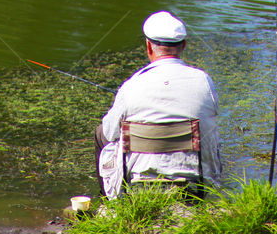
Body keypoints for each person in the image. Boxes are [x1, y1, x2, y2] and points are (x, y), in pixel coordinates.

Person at [95, 11, 222, 199]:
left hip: (139, 178)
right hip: (197, 178)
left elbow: (109, 132)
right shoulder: (204, 81)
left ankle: (109, 203)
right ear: (184, 45)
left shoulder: (131, 85)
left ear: (148, 46)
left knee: (100, 133)